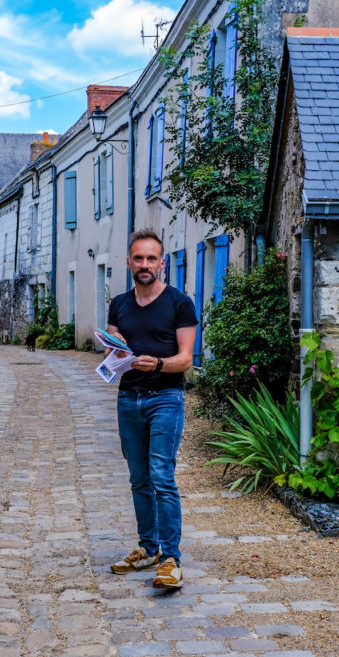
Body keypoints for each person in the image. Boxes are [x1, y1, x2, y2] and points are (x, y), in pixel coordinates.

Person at [106, 229, 197, 589]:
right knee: (139, 478)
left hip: (165, 397)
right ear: (129, 263)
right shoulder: (120, 304)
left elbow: (186, 359)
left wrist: (156, 364)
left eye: (151, 259)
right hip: (128, 398)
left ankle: (171, 558)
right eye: (138, 258)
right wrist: (115, 353)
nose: (145, 265)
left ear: (162, 262)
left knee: (161, 476)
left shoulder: (179, 303)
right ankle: (147, 549)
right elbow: (110, 352)